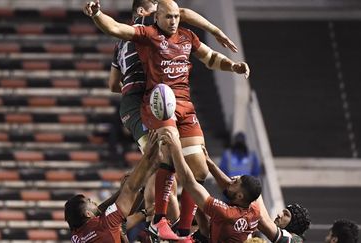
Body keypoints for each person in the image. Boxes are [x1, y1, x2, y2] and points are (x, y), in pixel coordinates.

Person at [84, 0, 250, 240]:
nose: (175, 19)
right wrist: (97, 13)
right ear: (149, 13)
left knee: (199, 169)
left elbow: (209, 55)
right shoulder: (146, 33)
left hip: (183, 104)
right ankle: (157, 220)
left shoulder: (185, 35)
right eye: (166, 15)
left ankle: (183, 230)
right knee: (161, 158)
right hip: (149, 102)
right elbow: (115, 28)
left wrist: (232, 65)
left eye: (175, 16)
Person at [158, 129, 261, 242]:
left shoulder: (227, 214)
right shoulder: (254, 209)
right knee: (200, 207)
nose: (232, 179)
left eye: (236, 182)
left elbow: (188, 182)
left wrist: (176, 148)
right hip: (213, 234)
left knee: (193, 195)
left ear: (240, 196)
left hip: (213, 235)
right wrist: (209, 162)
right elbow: (228, 186)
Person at [64, 130, 160, 243]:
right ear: (88, 214)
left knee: (123, 230)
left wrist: (120, 192)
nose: (94, 202)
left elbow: (102, 210)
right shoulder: (105, 223)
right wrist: (148, 155)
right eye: (89, 201)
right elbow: (130, 189)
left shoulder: (76, 237)